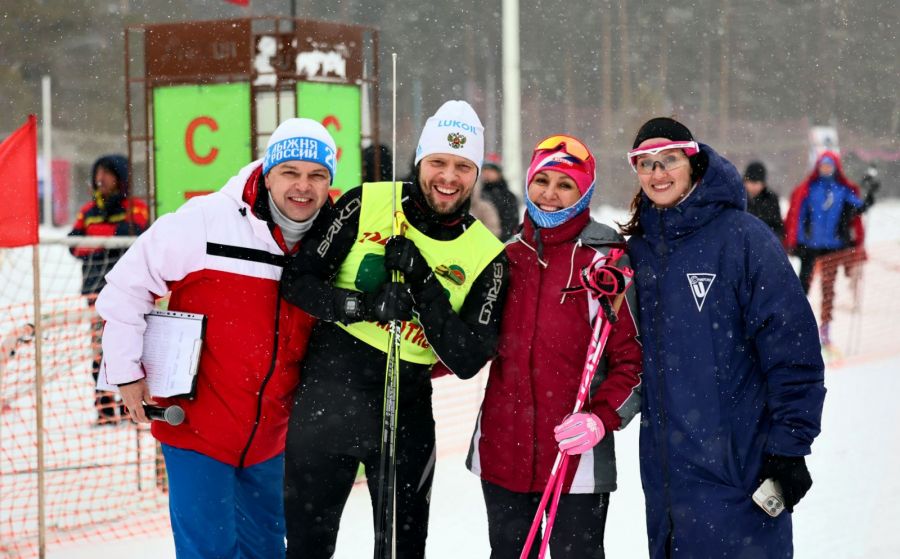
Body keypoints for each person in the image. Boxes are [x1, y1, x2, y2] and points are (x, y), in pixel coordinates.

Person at [94, 118, 335, 558]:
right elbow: (125, 287)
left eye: (317, 175)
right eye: (291, 172)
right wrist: (126, 373)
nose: (303, 187)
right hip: (198, 431)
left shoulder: (333, 241)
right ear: (268, 172)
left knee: (267, 552)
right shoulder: (206, 221)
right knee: (210, 552)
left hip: (272, 439)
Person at [279, 100, 509, 558]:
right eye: (438, 162)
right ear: (420, 160)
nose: (448, 177)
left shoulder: (488, 254)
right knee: (308, 545)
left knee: (402, 549)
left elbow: (467, 358)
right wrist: (361, 304)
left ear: (476, 171)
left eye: (463, 166)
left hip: (406, 408)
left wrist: (424, 285)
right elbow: (297, 281)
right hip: (329, 394)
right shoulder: (367, 201)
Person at [620, 117, 826, 558]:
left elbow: (793, 348)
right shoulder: (638, 251)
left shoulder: (743, 238)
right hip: (668, 479)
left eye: (668, 160)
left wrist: (791, 444)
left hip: (739, 467)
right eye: (645, 164)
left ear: (693, 163)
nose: (658, 174)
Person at [467, 135, 642, 558]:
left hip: (575, 456)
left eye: (565, 184)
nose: (550, 194)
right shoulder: (507, 255)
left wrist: (601, 419)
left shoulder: (607, 258)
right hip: (502, 451)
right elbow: (470, 343)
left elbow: (633, 363)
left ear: (585, 192)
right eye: (541, 180)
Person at [68, 154, 149, 424]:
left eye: (107, 174)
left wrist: (98, 239)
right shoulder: (87, 210)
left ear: (120, 177)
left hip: (128, 293)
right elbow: (74, 244)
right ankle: (104, 408)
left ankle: (131, 406)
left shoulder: (134, 207)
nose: (100, 179)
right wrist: (103, 240)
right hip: (94, 291)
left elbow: (133, 233)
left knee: (129, 348)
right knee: (99, 350)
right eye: (97, 173)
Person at [784, 150, 877, 344]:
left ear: (835, 168)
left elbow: (858, 208)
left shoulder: (842, 190)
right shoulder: (809, 189)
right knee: (802, 288)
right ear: (818, 167)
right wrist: (797, 242)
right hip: (810, 247)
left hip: (833, 247)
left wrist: (869, 196)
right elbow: (799, 216)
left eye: (829, 165)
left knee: (828, 289)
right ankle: (797, 327)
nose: (826, 168)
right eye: (823, 165)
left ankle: (825, 330)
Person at [480, 155, 521, 241]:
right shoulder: (477, 194)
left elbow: (511, 225)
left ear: (499, 173)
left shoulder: (508, 197)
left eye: (491, 170)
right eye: (485, 170)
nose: (487, 173)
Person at [743, 160, 785, 241]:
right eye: (751, 182)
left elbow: (777, 226)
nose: (754, 186)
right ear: (745, 182)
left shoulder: (771, 199)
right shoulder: (738, 198)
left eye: (757, 182)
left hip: (764, 244)